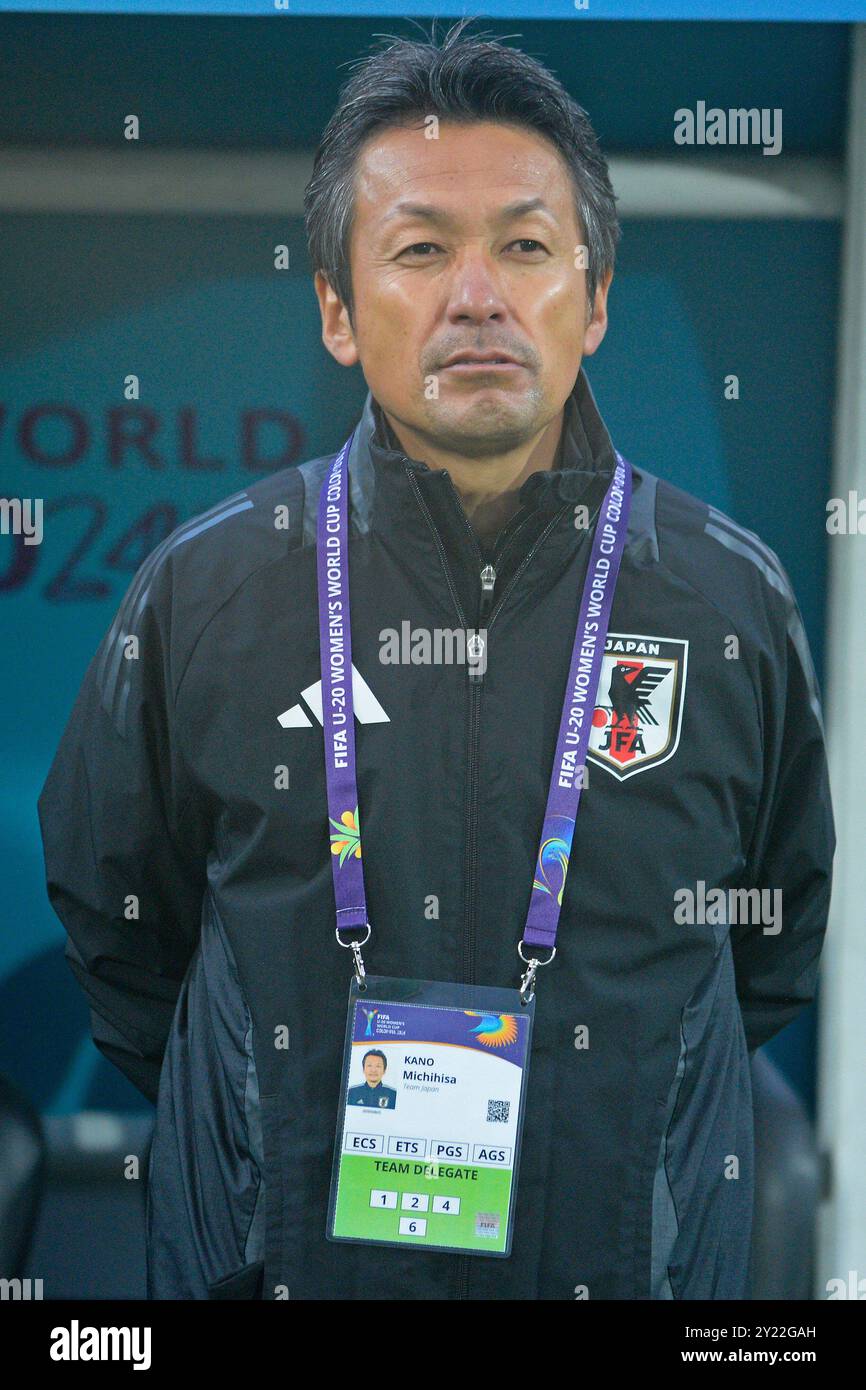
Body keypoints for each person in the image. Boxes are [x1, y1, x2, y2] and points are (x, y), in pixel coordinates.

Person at [37, 20, 835, 1300]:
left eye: (525, 246)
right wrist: (261, 1121)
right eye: (419, 250)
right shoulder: (211, 588)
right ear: (338, 313)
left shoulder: (723, 596)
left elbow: (768, 944)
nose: (478, 295)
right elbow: (122, 929)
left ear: (595, 300)